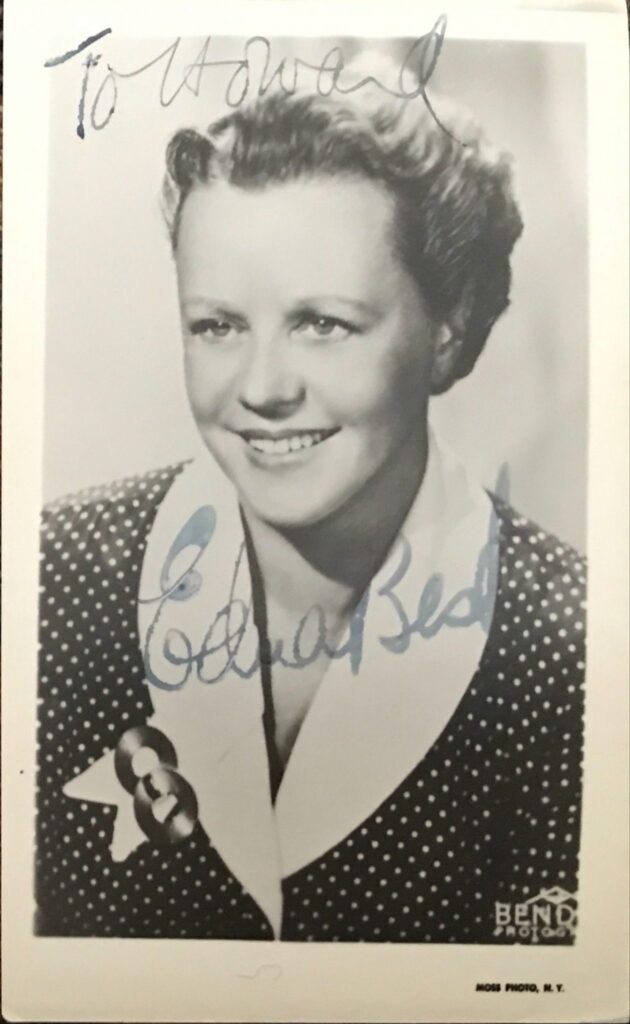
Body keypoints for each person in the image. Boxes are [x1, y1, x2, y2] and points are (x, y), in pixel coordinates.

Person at [35, 56, 586, 943]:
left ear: (448, 333)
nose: (262, 388)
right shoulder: (52, 580)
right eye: (217, 325)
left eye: (323, 323)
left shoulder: (571, 653)